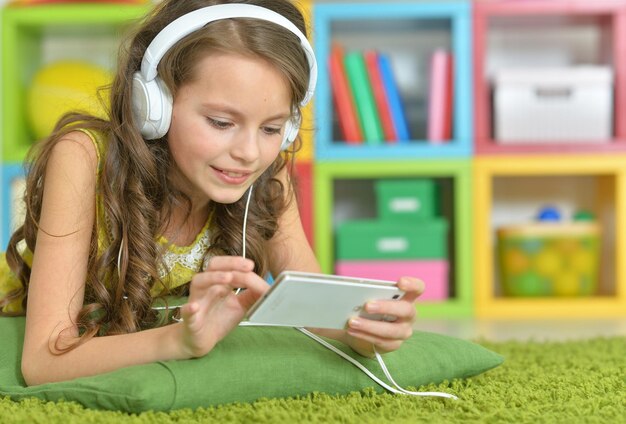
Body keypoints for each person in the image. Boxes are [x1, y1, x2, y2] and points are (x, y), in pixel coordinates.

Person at [0, 0, 424, 386]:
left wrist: (366, 327)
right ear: (153, 107)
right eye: (221, 122)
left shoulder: (265, 174)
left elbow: (317, 307)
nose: (249, 153)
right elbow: (42, 362)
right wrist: (179, 342)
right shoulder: (82, 159)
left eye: (273, 128)